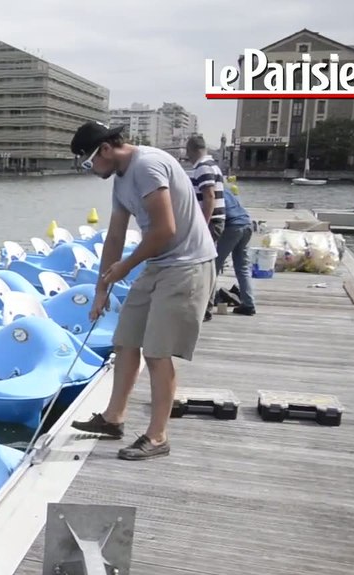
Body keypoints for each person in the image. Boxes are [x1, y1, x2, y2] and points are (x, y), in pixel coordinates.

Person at [67, 121, 216, 461]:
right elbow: (116, 236)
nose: (90, 171)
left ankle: (157, 435)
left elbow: (165, 229)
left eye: (89, 163)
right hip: (159, 262)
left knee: (157, 352)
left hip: (187, 264)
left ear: (105, 150)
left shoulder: (147, 165)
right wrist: (102, 287)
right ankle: (113, 418)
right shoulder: (120, 181)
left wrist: (125, 268)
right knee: (126, 338)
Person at [185, 135, 225, 321]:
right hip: (217, 221)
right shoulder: (213, 165)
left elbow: (208, 196)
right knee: (206, 264)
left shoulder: (203, 167)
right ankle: (206, 305)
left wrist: (202, 223)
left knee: (201, 265)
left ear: (191, 150)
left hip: (211, 222)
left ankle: (204, 307)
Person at [216, 186, 257, 315]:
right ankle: (248, 304)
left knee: (213, 267)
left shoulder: (210, 190)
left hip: (232, 227)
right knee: (243, 267)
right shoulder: (226, 189)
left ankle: (207, 304)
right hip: (246, 224)